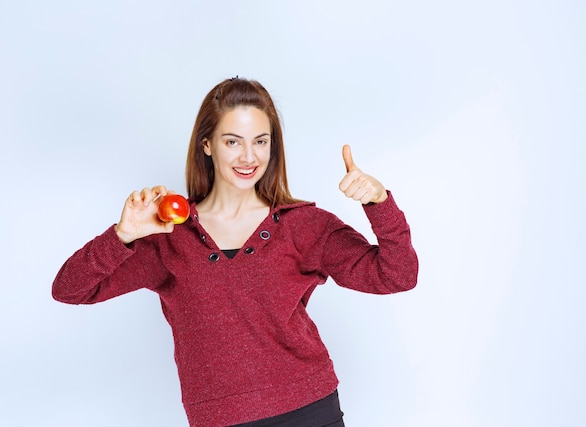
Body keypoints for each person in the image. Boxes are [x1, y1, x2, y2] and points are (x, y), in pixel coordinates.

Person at [52, 77, 418, 427]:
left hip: (311, 411)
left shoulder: (304, 225)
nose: (248, 156)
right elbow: (70, 290)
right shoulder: (167, 236)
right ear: (207, 144)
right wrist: (123, 235)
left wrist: (379, 202)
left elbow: (398, 275)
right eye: (232, 141)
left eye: (260, 141)